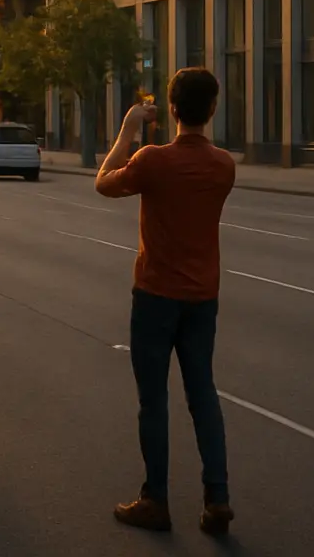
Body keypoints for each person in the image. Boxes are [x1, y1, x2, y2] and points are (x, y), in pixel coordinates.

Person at [94, 69, 236, 536]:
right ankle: (217, 497)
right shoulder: (223, 166)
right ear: (211, 109)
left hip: (155, 296)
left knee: (153, 401)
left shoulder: (153, 160)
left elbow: (104, 182)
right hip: (202, 299)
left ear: (172, 110)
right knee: (203, 395)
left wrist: (129, 129)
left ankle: (156, 499)